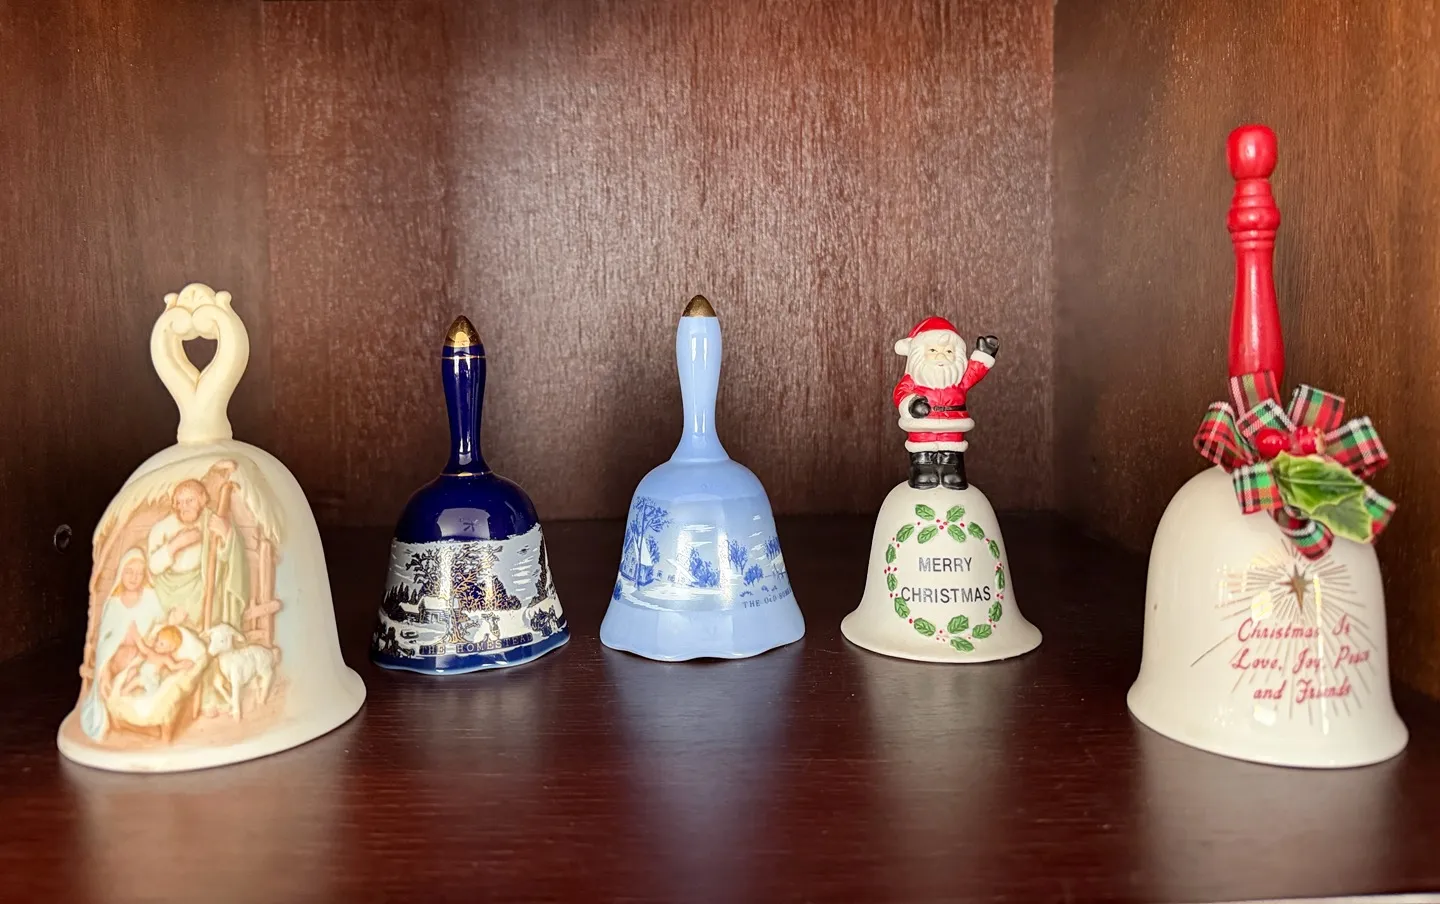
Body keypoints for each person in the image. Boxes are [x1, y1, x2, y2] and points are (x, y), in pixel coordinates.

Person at [892, 318, 999, 490]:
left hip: (953, 423)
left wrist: (984, 354)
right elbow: (900, 393)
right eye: (933, 350)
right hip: (923, 425)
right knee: (922, 448)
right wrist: (912, 404)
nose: (941, 356)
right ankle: (922, 470)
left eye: (948, 351)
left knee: (951, 449)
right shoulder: (913, 379)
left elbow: (973, 372)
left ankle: (952, 471)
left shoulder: (959, 380)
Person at [80, 548, 172, 739]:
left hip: (142, 656)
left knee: (141, 680)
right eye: (129, 571)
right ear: (121, 572)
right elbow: (104, 642)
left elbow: (161, 625)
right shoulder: (114, 604)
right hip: (117, 659)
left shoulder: (150, 598)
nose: (134, 578)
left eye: (139, 573)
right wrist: (105, 670)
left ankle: (142, 723)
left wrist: (142, 640)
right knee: (109, 685)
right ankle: (117, 717)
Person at [146, 475, 249, 632]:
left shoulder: (212, 521)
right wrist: (176, 544)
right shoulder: (162, 528)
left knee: (209, 604)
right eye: (179, 502)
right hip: (168, 589)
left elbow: (226, 558)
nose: (184, 507)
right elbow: (153, 567)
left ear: (202, 499)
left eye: (190, 501)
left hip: (201, 586)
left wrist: (226, 533)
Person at [116, 625, 194, 697]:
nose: (157, 644)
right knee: (132, 670)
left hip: (151, 682)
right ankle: (128, 687)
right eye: (157, 640)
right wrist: (136, 634)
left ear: (170, 648)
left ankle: (125, 691)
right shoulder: (151, 652)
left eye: (161, 644)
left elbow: (173, 666)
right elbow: (142, 646)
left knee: (137, 679)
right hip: (142, 677)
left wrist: (183, 664)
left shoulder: (165, 658)